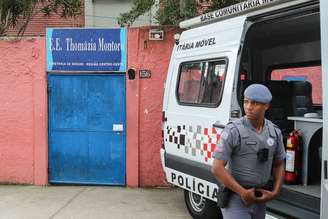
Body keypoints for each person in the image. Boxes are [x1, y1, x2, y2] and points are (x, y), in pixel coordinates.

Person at [211, 84, 286, 219]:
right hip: (236, 197)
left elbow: (279, 163)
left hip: (260, 198)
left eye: (255, 103)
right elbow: (217, 168)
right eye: (246, 101)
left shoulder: (274, 132)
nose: (249, 107)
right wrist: (242, 192)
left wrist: (275, 192)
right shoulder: (233, 130)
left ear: (266, 106)